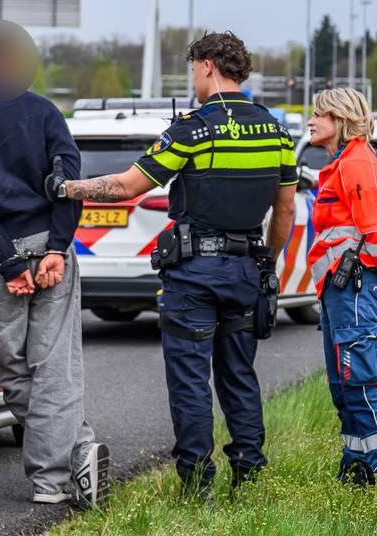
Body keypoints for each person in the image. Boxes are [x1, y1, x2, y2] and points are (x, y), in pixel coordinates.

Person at [49, 31, 296, 495]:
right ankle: (249, 476)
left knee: (190, 380)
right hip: (247, 270)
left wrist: (66, 189)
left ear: (205, 65)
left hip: (194, 275)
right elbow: (285, 211)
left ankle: (197, 483)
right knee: (239, 374)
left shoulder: (193, 129)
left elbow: (125, 187)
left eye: (193, 70)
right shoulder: (276, 130)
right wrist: (266, 263)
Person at [0, 19, 108, 507]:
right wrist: (56, 248)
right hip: (50, 249)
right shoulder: (46, 112)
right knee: (56, 367)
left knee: (12, 372)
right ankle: (77, 454)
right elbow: (69, 186)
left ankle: (52, 478)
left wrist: (10, 263)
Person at [304, 88, 377, 486]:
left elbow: (374, 232)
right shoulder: (341, 164)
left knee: (361, 380)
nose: (311, 121)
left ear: (341, 119)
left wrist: (355, 268)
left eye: (320, 115)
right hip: (340, 290)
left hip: (355, 289)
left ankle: (373, 465)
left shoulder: (357, 164)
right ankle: (356, 464)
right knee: (343, 384)